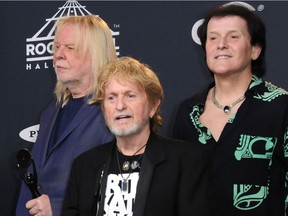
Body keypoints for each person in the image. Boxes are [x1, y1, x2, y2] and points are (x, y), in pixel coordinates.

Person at [173, 3, 288, 216]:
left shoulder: (280, 106)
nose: (221, 45)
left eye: (233, 37)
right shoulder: (188, 113)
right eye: (213, 38)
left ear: (255, 49)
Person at [62, 56, 212, 216]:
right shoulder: (84, 166)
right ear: (104, 109)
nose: (120, 106)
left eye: (130, 95)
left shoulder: (186, 161)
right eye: (111, 98)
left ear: (153, 106)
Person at [16, 15, 117, 216]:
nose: (58, 55)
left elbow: (119, 192)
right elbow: (32, 182)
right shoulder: (51, 111)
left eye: (70, 48)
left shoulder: (113, 113)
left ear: (96, 55)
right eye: (57, 47)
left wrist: (62, 209)